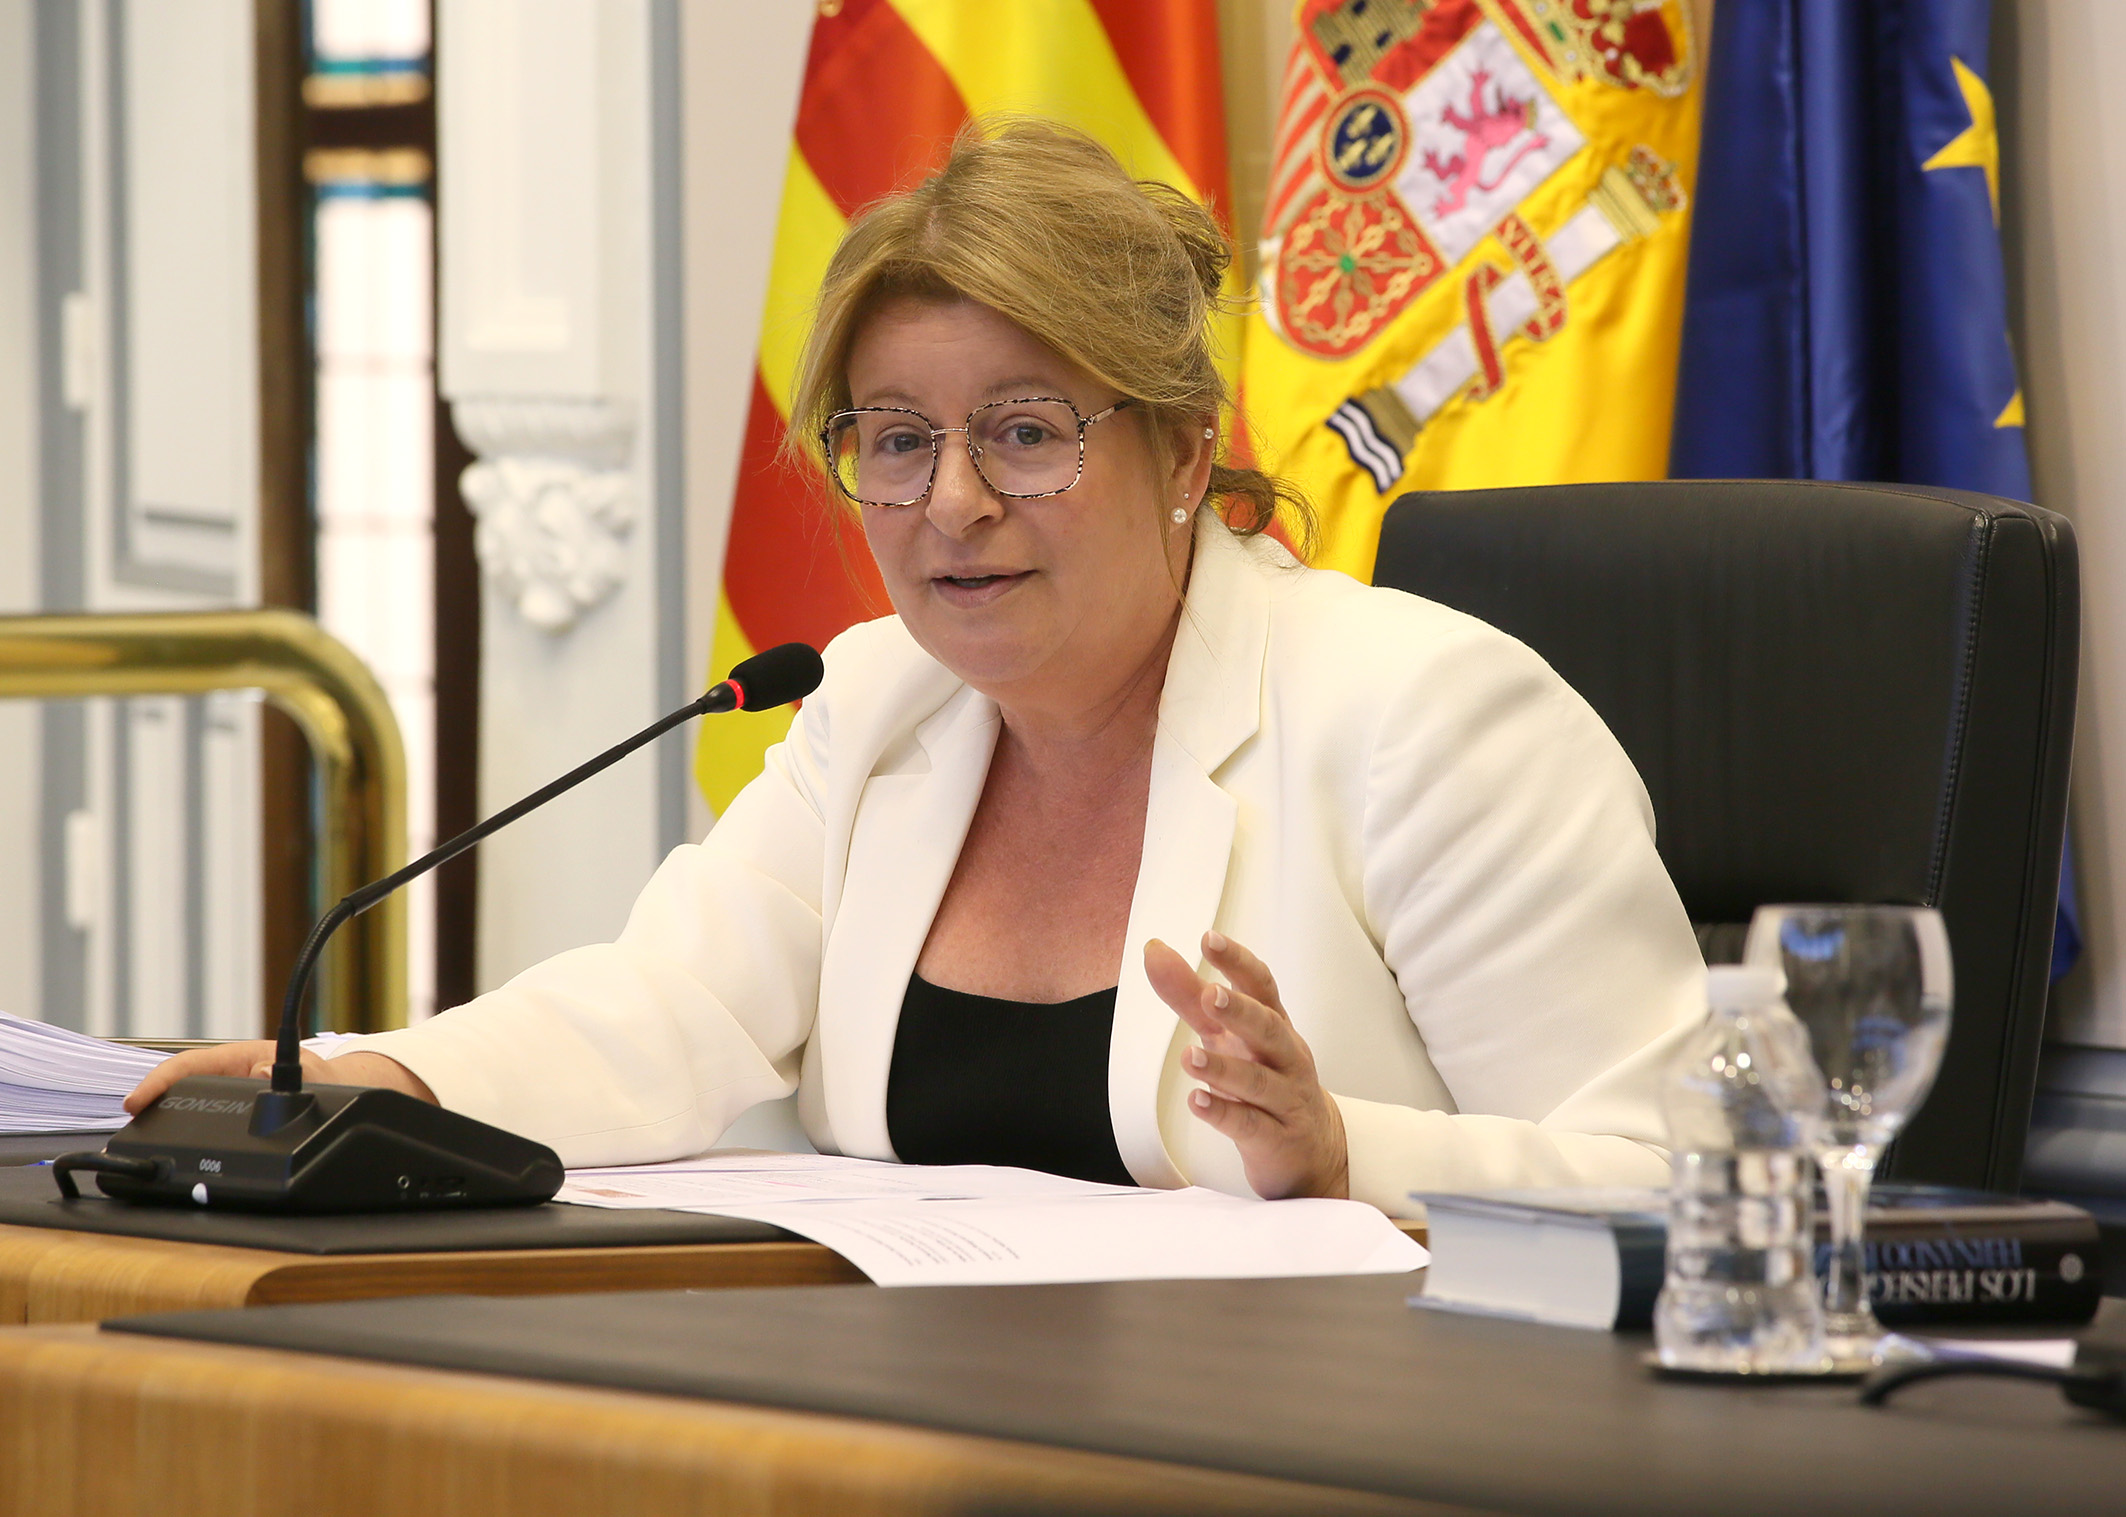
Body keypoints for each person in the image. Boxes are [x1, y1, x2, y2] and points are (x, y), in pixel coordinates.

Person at [129, 119, 1706, 1215]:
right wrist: (372, 1079)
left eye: (1023, 432)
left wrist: (1345, 1151)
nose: (952, 503)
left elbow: (1673, 1176)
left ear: (1181, 451)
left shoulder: (1424, 717)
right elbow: (667, 1006)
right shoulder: (880, 700)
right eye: (895, 441)